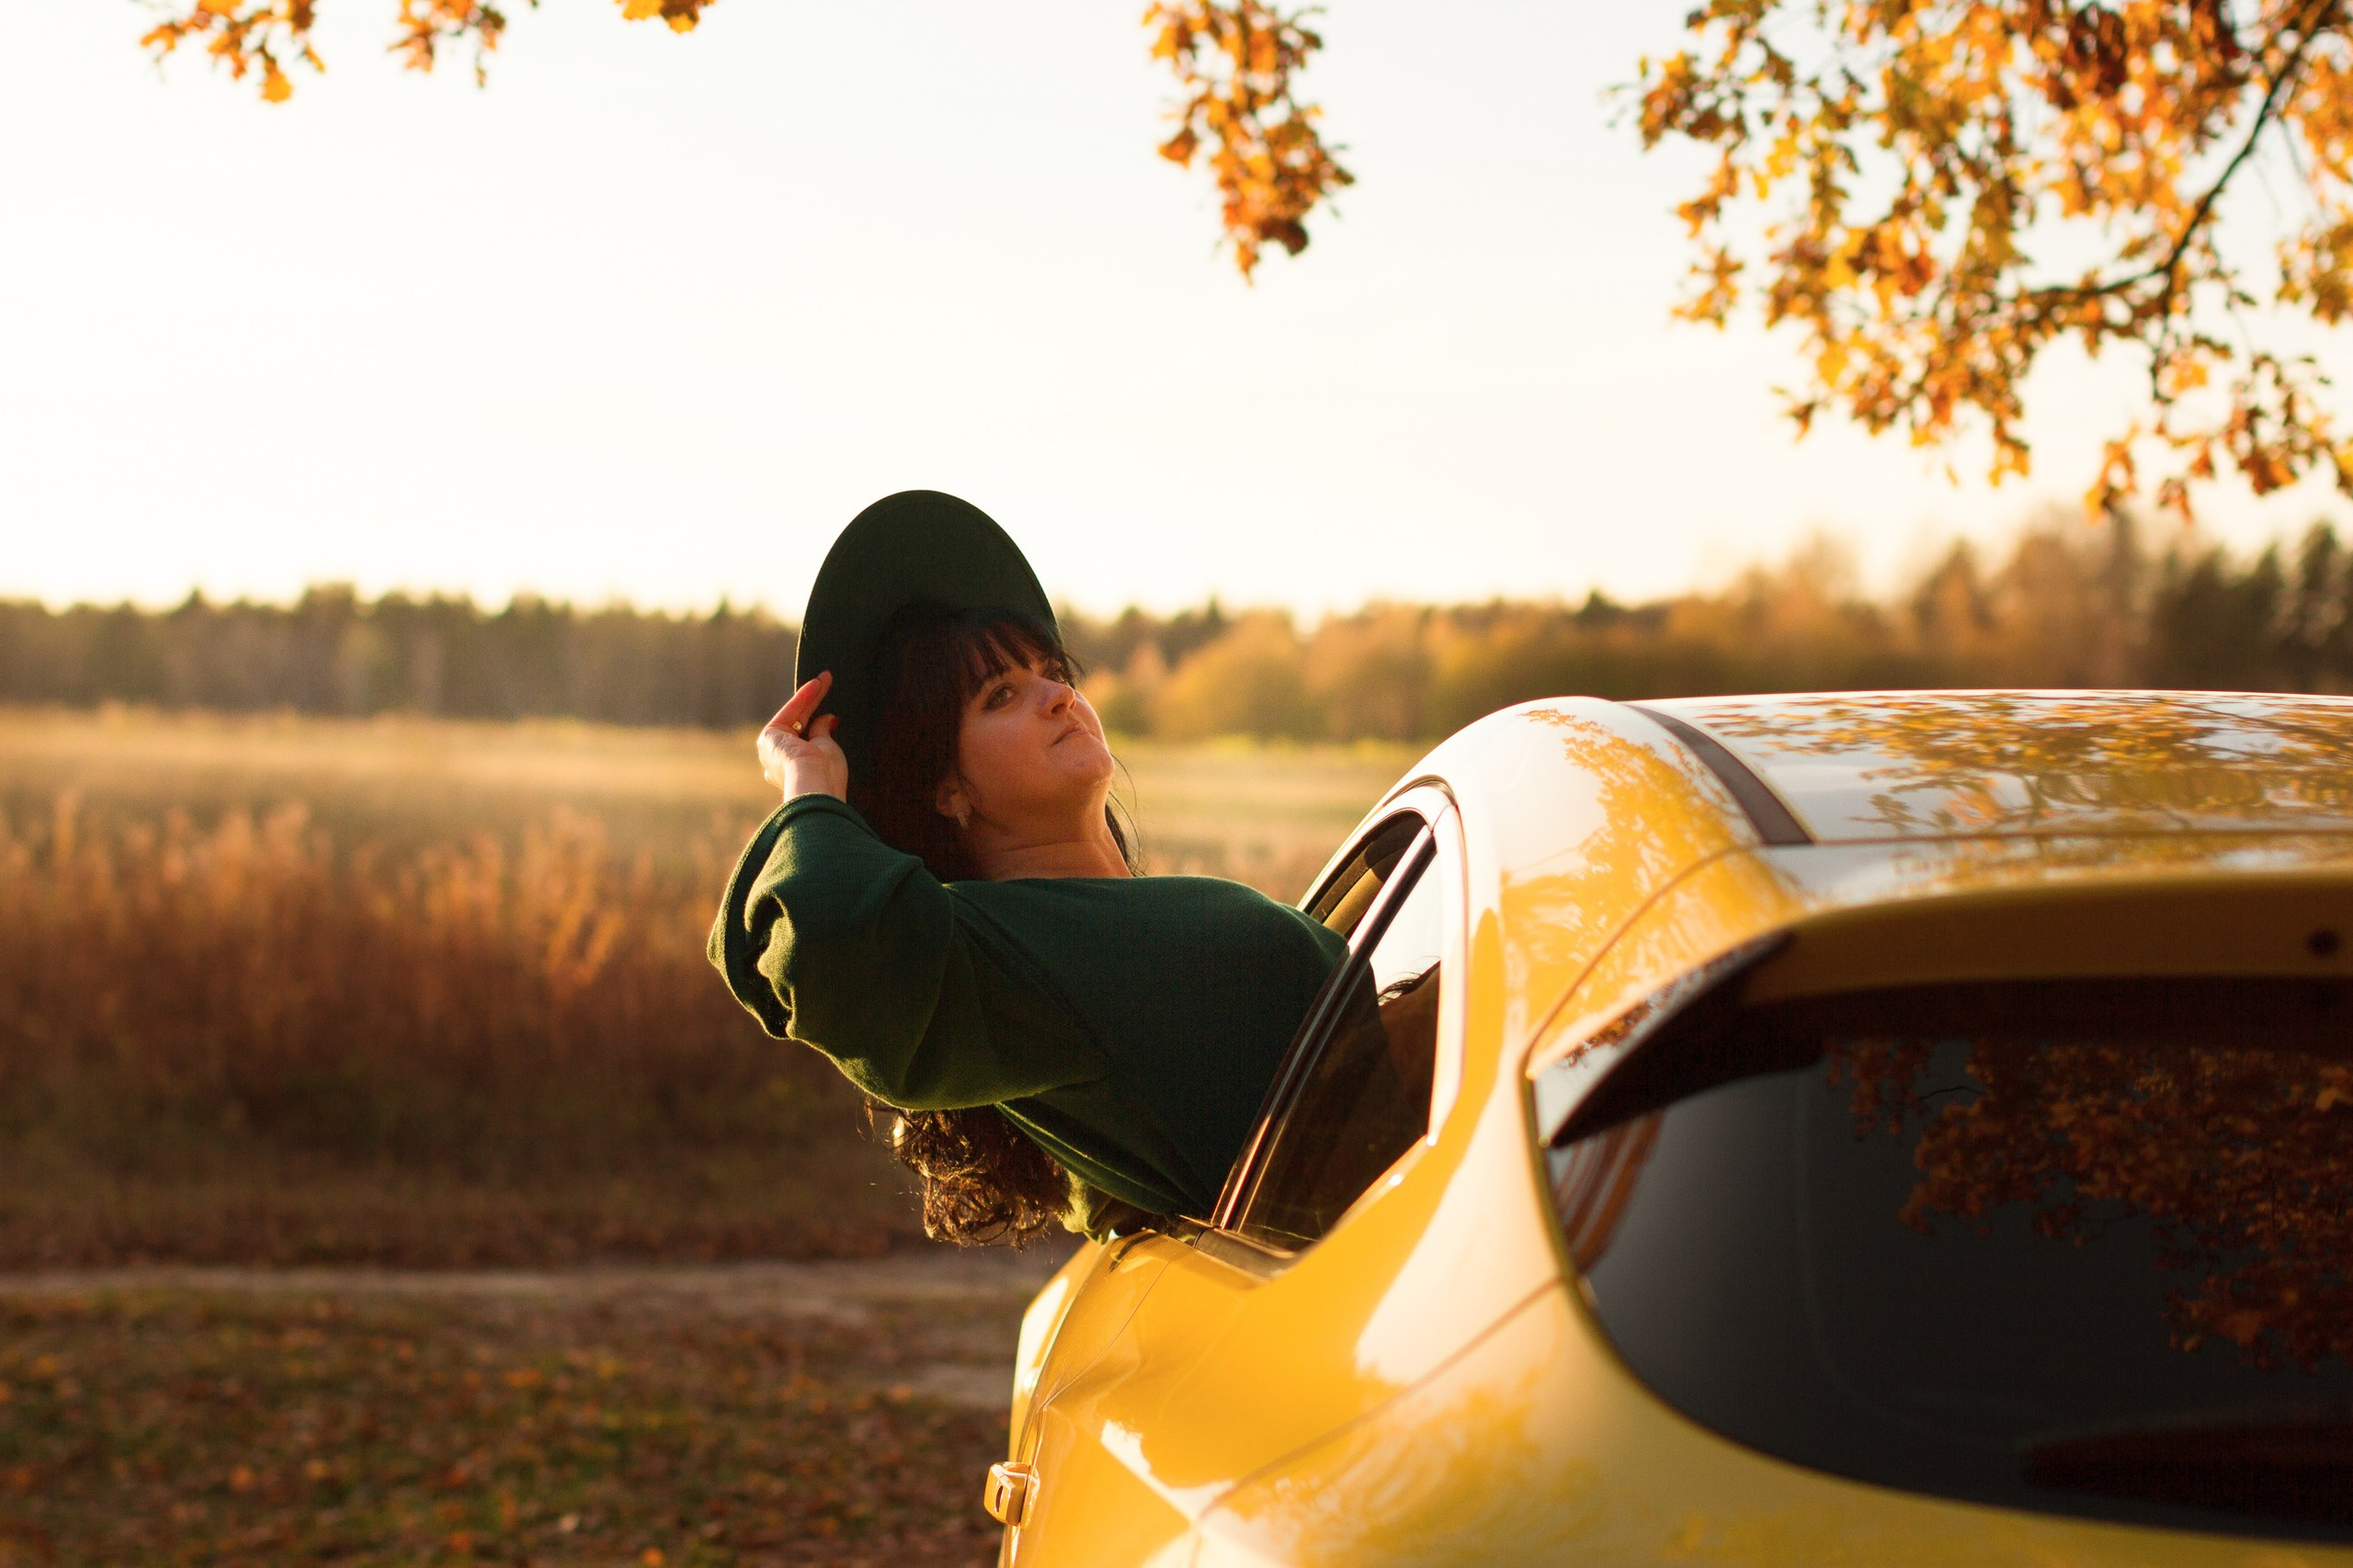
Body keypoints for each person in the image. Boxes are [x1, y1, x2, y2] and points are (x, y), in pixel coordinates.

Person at [709, 491, 1347, 1244]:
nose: (1059, 697)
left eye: (1052, 671)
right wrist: (811, 786)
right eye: (1002, 695)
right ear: (948, 791)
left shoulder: (1076, 937)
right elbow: (827, 950)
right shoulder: (1014, 948)